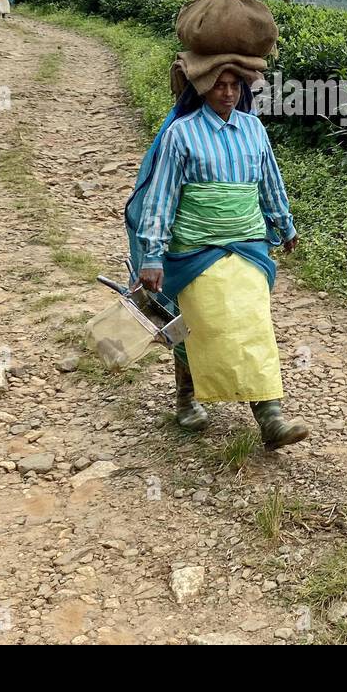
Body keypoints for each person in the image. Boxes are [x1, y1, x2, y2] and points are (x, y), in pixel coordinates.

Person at [129, 65, 308, 451]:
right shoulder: (182, 134)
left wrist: (286, 225)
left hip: (248, 243)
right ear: (203, 88)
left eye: (234, 86)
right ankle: (187, 398)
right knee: (202, 325)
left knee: (254, 322)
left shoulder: (253, 129)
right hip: (196, 248)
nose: (227, 93)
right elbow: (162, 198)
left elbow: (269, 181)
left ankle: (270, 415)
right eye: (219, 86)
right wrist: (152, 255)